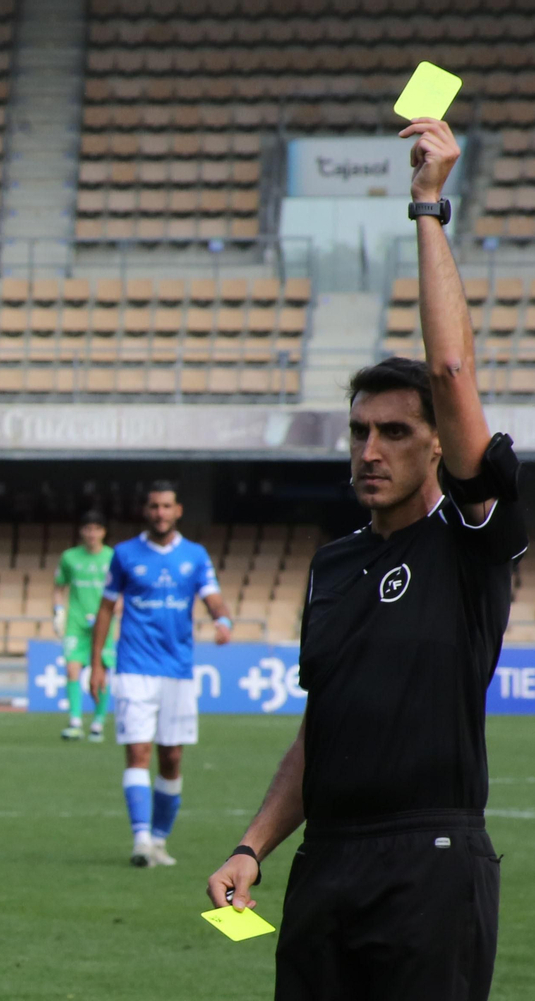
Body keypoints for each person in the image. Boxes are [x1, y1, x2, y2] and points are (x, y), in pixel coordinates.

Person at [207, 118, 524, 1001]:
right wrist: (252, 845)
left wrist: (427, 206)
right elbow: (323, 727)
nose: (370, 449)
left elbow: (451, 368)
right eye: (358, 432)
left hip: (431, 861)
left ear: (438, 445)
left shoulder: (471, 541)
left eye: (394, 432)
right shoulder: (332, 565)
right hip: (326, 864)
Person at [90, 482, 232, 867]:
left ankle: (158, 840)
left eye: (167, 506)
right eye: (154, 506)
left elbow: (212, 597)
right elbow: (105, 609)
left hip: (178, 670)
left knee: (171, 757)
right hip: (134, 667)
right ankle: (140, 840)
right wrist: (97, 664)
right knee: (137, 751)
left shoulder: (195, 555)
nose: (160, 513)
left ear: (178, 510)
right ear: (146, 511)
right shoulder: (124, 554)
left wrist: (222, 620)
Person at [52, 510, 118, 742]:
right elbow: (59, 587)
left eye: (96, 529)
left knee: (102, 673)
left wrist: (117, 608)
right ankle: (75, 722)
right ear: (82, 531)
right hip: (77, 624)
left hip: (103, 624)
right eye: (88, 529)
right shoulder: (69, 557)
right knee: (72, 668)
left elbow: (121, 590)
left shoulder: (112, 557)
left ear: (104, 532)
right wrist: (58, 611)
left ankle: (98, 723)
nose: (92, 534)